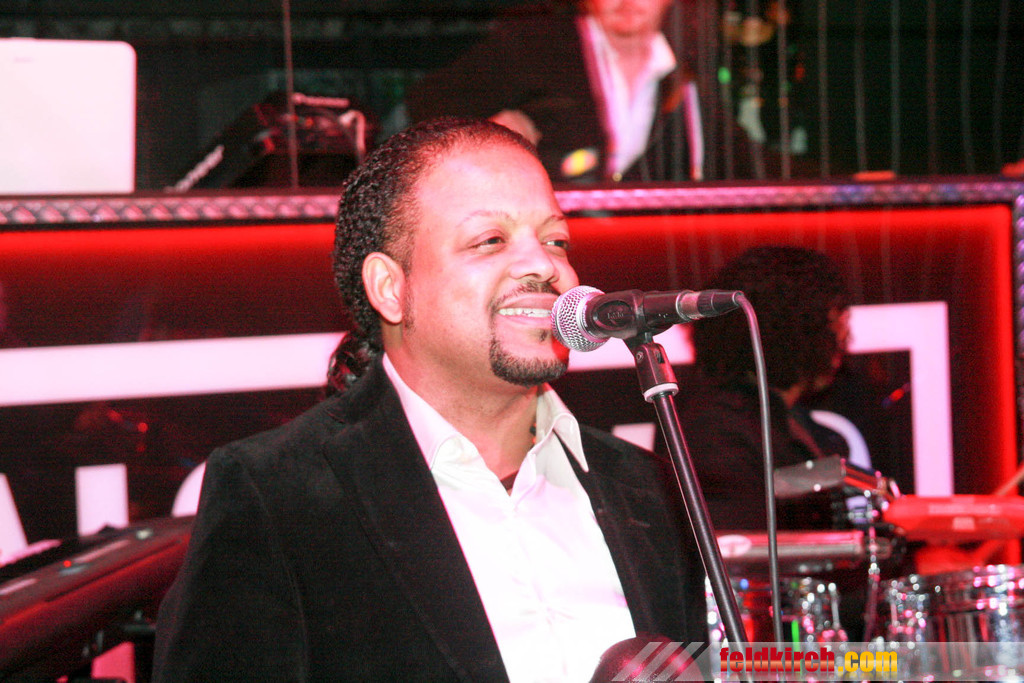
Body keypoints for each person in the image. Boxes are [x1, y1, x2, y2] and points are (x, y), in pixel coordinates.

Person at [153, 117, 707, 682]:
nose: (544, 266)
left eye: (556, 240)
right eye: (490, 241)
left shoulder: (648, 487)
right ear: (391, 288)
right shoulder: (276, 495)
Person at [405, 0, 776, 184]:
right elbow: (426, 109)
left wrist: (808, 187)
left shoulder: (686, 72)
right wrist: (487, 133)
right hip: (549, 242)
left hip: (645, 249)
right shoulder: (533, 46)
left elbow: (739, 159)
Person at [679, 245, 855, 532]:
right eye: (836, 323)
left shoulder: (775, 418)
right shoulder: (719, 429)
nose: (845, 339)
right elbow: (738, 546)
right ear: (798, 330)